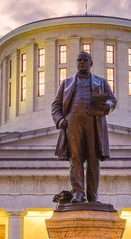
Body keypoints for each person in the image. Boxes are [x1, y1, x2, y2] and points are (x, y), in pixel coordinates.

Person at [50, 51, 117, 204]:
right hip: (73, 123)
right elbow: (56, 105)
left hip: (94, 123)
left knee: (93, 161)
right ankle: (78, 193)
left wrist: (109, 106)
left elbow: (113, 100)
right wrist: (60, 120)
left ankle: (93, 196)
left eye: (85, 60)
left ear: (90, 63)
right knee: (76, 159)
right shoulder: (66, 83)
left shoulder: (100, 82)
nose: (81, 63)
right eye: (79, 60)